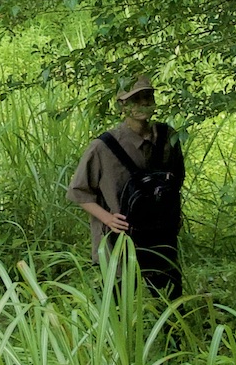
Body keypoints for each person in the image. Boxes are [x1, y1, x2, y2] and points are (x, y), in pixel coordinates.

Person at [66, 76, 187, 296]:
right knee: (121, 299)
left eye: (147, 96)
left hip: (160, 235)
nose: (143, 103)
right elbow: (78, 191)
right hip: (120, 239)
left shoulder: (168, 137)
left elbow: (176, 180)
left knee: (169, 296)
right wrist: (108, 219)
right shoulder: (103, 147)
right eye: (135, 99)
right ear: (122, 106)